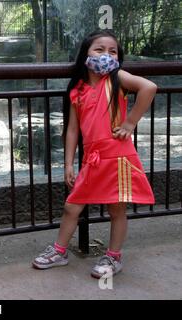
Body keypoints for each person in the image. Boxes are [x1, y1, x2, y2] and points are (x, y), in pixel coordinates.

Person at [32, 30, 156, 278]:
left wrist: (130, 122)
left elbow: (149, 87)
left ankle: (113, 256)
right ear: (85, 54)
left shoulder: (117, 78)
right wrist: (68, 163)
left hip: (119, 157)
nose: (106, 55)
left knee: (116, 210)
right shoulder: (77, 90)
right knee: (71, 206)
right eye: (99, 49)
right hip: (93, 160)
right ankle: (59, 251)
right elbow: (72, 130)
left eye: (112, 51)